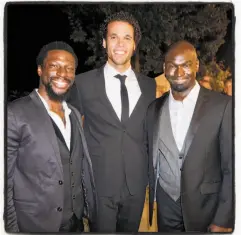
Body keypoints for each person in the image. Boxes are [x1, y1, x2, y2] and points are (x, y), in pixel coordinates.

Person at [68, 11, 156, 232]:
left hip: (137, 187)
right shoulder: (83, 83)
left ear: (134, 44)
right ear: (104, 42)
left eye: (127, 37)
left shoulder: (149, 86)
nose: (120, 43)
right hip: (99, 185)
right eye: (114, 37)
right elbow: (70, 134)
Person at [6, 41, 97, 232]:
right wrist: (11, 229)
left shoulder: (73, 113)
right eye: (54, 66)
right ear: (40, 70)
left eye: (69, 68)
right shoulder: (14, 114)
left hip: (76, 222)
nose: (63, 73)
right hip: (36, 225)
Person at [146, 40, 233, 232]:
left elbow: (232, 166)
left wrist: (224, 217)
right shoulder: (154, 108)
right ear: (164, 68)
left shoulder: (222, 106)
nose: (178, 73)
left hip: (206, 206)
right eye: (172, 66)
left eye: (185, 65)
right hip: (166, 204)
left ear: (196, 66)